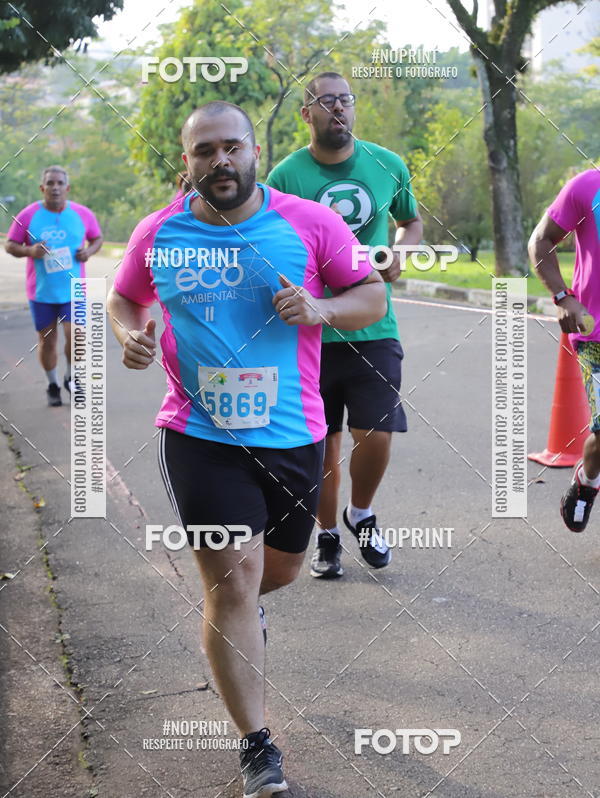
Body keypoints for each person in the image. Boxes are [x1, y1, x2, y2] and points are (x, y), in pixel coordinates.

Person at [107, 101, 385, 798]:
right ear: (187, 161)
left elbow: (372, 294)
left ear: (254, 151)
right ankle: (258, 746)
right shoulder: (159, 232)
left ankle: (237, 618)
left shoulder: (308, 223)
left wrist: (322, 309)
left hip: (295, 435)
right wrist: (129, 335)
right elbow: (123, 299)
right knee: (231, 580)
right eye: (205, 151)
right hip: (198, 436)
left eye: (231, 147)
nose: (220, 161)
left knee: (278, 573)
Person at [267, 72, 423, 579]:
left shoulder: (386, 164)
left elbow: (411, 221)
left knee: (377, 431)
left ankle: (362, 513)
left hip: (372, 324)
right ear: (305, 113)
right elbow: (263, 236)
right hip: (307, 334)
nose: (338, 109)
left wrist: (401, 254)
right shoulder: (286, 176)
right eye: (325, 101)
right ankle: (328, 536)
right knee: (323, 442)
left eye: (345, 100)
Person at [529, 168, 600, 532]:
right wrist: (563, 298)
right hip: (596, 335)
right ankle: (588, 480)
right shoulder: (588, 187)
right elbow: (540, 242)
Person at [5, 166, 103, 406]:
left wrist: (88, 251)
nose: (55, 187)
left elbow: (97, 238)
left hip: (75, 289)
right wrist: (29, 250)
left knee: (77, 336)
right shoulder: (28, 215)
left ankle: (71, 378)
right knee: (48, 341)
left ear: (67, 188)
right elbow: (10, 244)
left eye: (60, 183)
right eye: (50, 183)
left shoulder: (82, 214)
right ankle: (52, 384)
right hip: (42, 292)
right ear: (42, 188)